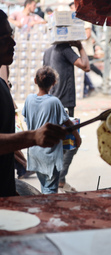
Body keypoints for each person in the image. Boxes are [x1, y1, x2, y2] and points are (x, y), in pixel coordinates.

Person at [0, 10, 66, 197]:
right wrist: (31, 137)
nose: (13, 42)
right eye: (4, 37)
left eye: (11, 35)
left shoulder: (2, 86)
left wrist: (12, 149)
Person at [22, 66, 81, 194]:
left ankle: (44, 209)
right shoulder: (54, 102)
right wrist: (78, 138)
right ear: (54, 83)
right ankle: (47, 212)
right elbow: (68, 123)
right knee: (50, 190)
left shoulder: (29, 99)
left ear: (35, 81)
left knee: (45, 185)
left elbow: (27, 119)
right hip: (50, 154)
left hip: (34, 152)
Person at [43, 41, 89, 192]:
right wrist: (80, 46)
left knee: (57, 143)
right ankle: (60, 179)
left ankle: (54, 179)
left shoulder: (48, 51)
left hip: (51, 102)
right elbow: (86, 66)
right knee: (72, 143)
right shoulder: (65, 49)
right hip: (65, 104)